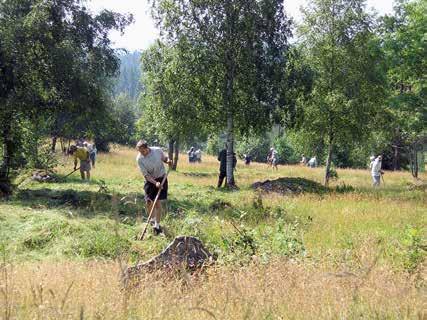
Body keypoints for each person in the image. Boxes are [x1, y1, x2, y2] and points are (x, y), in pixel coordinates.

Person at [136, 140, 171, 235]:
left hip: (161, 177)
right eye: (139, 151)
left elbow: (164, 158)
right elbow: (146, 175)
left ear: (147, 148)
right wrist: (155, 183)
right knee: (148, 202)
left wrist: (168, 161)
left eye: (143, 151)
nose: (141, 153)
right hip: (150, 180)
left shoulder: (157, 151)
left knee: (157, 202)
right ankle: (152, 219)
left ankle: (157, 225)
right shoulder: (140, 159)